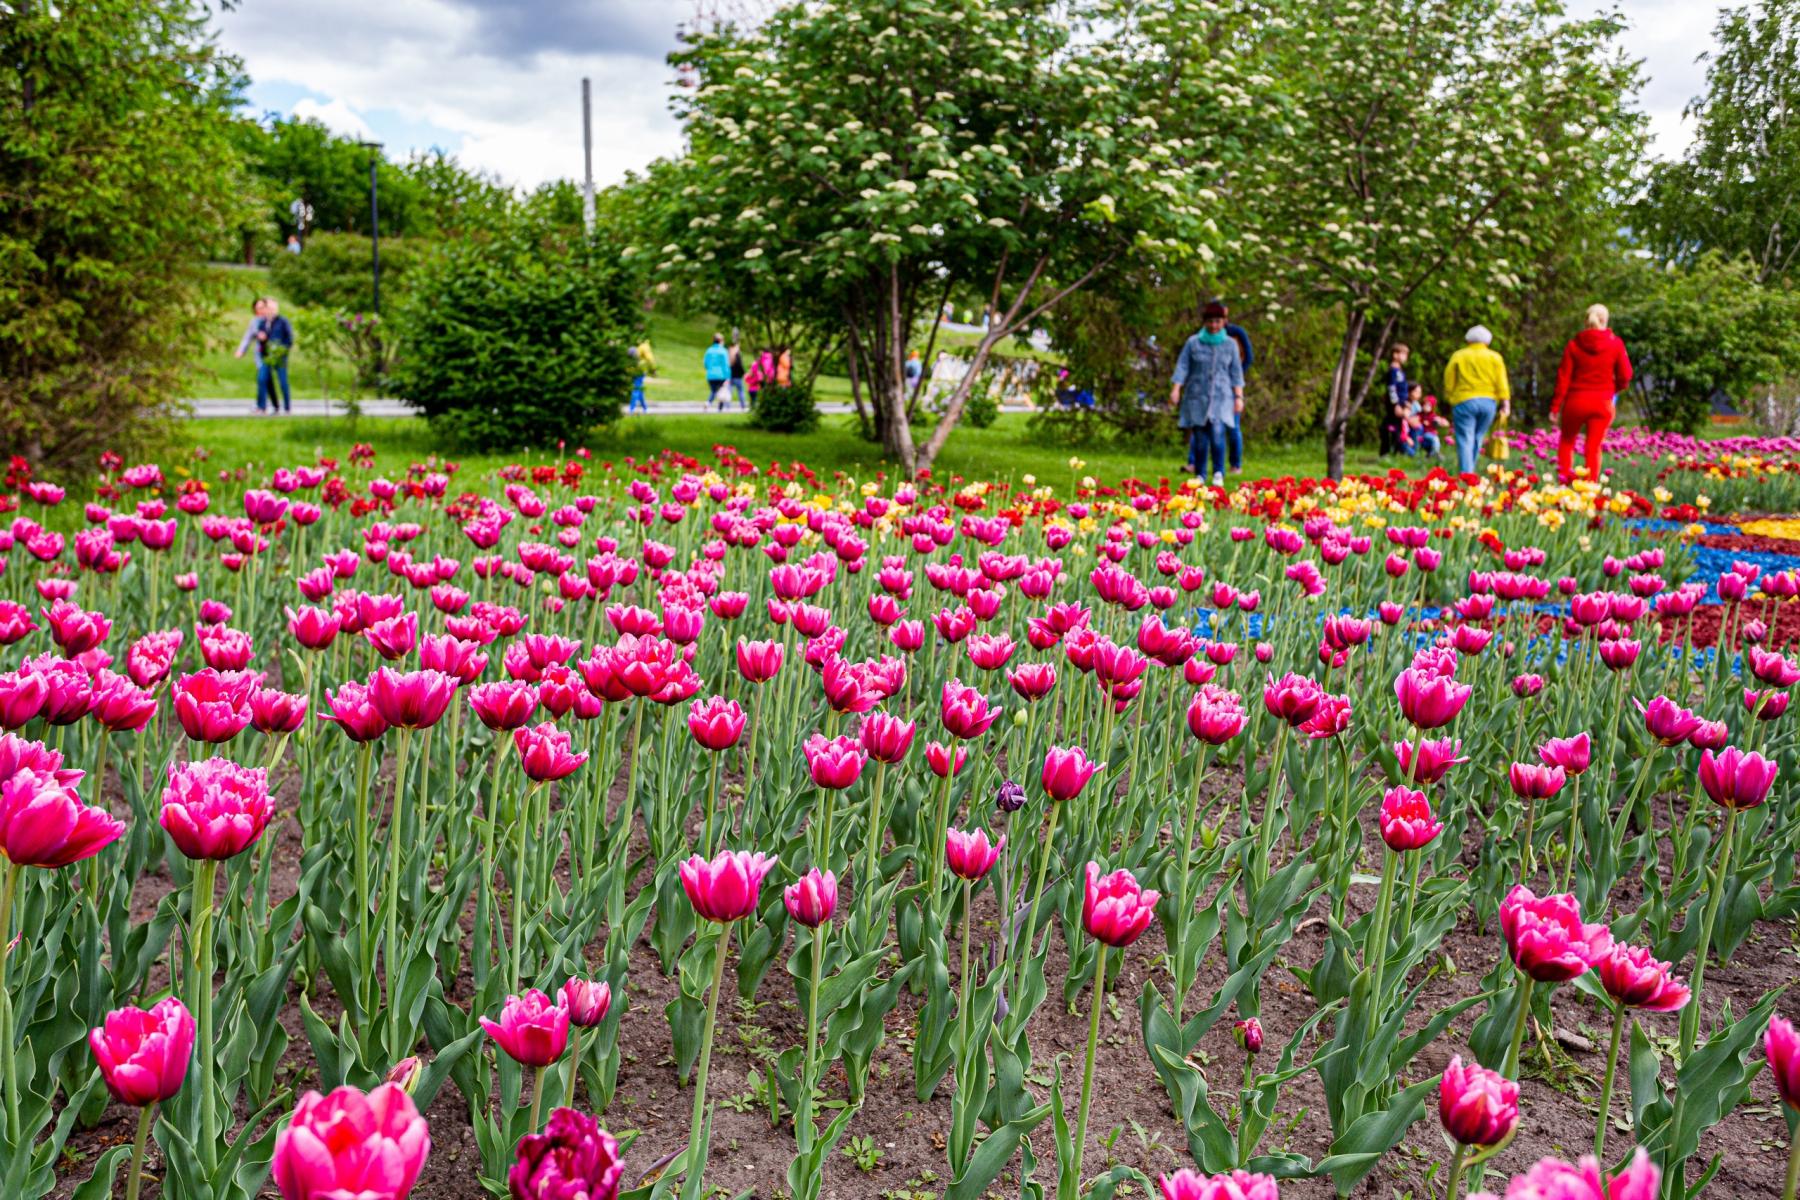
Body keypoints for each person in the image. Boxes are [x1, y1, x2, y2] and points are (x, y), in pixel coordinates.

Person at [1551, 303, 1633, 483]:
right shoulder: (1616, 343)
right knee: (1593, 448)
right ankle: (1590, 490)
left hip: (1576, 402)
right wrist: (1614, 389)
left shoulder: (1574, 345)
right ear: (1605, 320)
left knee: (1566, 443)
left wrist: (1555, 407)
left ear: (1585, 321)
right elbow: (1626, 375)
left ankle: (1564, 484)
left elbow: (1563, 378)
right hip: (1602, 402)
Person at [1169, 300, 1245, 485]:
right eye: (1210, 321)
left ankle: (1219, 472)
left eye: (1217, 321)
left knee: (1218, 433)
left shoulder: (1230, 344)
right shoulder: (1193, 342)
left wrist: (1239, 396)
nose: (1214, 325)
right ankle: (1201, 474)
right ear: (1204, 322)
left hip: (1222, 398)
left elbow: (1236, 372)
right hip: (1197, 397)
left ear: (1223, 322)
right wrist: (1176, 389)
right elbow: (1183, 366)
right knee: (1200, 437)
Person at [1442, 325, 1510, 476]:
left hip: (1464, 400)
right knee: (1478, 437)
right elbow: (1501, 381)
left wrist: (1450, 396)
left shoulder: (1459, 355)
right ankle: (1469, 470)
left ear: (1468, 340)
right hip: (1488, 403)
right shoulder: (1495, 357)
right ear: (1488, 341)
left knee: (1465, 438)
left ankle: (1466, 473)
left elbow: (1449, 379)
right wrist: (1505, 401)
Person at [1218, 304, 1254, 473]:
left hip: (1232, 386)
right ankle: (1193, 463)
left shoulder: (1236, 333)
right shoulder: (1206, 335)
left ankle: (1235, 464)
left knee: (1233, 426)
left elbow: (1248, 357)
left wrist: (1236, 376)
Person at [258, 299, 295, 413]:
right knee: (262, 379)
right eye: (268, 308)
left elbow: (289, 339)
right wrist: (262, 339)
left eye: (272, 309)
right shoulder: (263, 323)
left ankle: (287, 407)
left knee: (283, 381)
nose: (270, 311)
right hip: (267, 356)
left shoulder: (283, 322)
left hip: (279, 356)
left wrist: (282, 350)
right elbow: (261, 339)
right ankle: (262, 407)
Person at [234, 299, 269, 413]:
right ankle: (262, 406)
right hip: (260, 354)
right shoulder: (254, 322)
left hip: (272, 354)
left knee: (263, 380)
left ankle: (264, 406)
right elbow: (247, 337)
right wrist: (241, 350)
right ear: (255, 310)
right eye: (259, 308)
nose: (261, 310)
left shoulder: (271, 320)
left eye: (263, 307)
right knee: (262, 379)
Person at [1380, 344, 1410, 456]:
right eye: (1403, 354)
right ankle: (1387, 451)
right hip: (1395, 406)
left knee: (1398, 427)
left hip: (1401, 404)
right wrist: (1395, 404)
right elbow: (1392, 388)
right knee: (1391, 427)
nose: (1405, 357)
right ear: (1395, 355)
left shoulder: (1400, 371)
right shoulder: (1393, 371)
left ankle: (1396, 451)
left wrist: (1406, 402)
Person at [1401, 382, 1440, 457]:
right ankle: (1415, 453)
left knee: (1431, 438)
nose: (1419, 394)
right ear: (1409, 392)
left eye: (1420, 392)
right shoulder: (1406, 404)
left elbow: (1420, 416)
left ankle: (1432, 453)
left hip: (1420, 431)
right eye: (1416, 391)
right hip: (1409, 431)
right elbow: (1407, 418)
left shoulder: (1416, 404)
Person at [703, 333, 731, 408]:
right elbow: (725, 365)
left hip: (711, 375)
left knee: (714, 391)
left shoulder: (709, 350)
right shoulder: (723, 351)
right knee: (722, 390)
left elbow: (705, 363)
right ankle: (720, 408)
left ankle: (708, 403)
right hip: (721, 375)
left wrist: (709, 369)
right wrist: (728, 376)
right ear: (721, 341)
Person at [728, 339, 748, 410]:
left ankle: (727, 406)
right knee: (740, 391)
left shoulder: (728, 354)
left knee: (729, 391)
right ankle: (743, 406)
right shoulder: (737, 355)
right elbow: (740, 366)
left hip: (730, 376)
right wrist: (744, 373)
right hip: (738, 376)